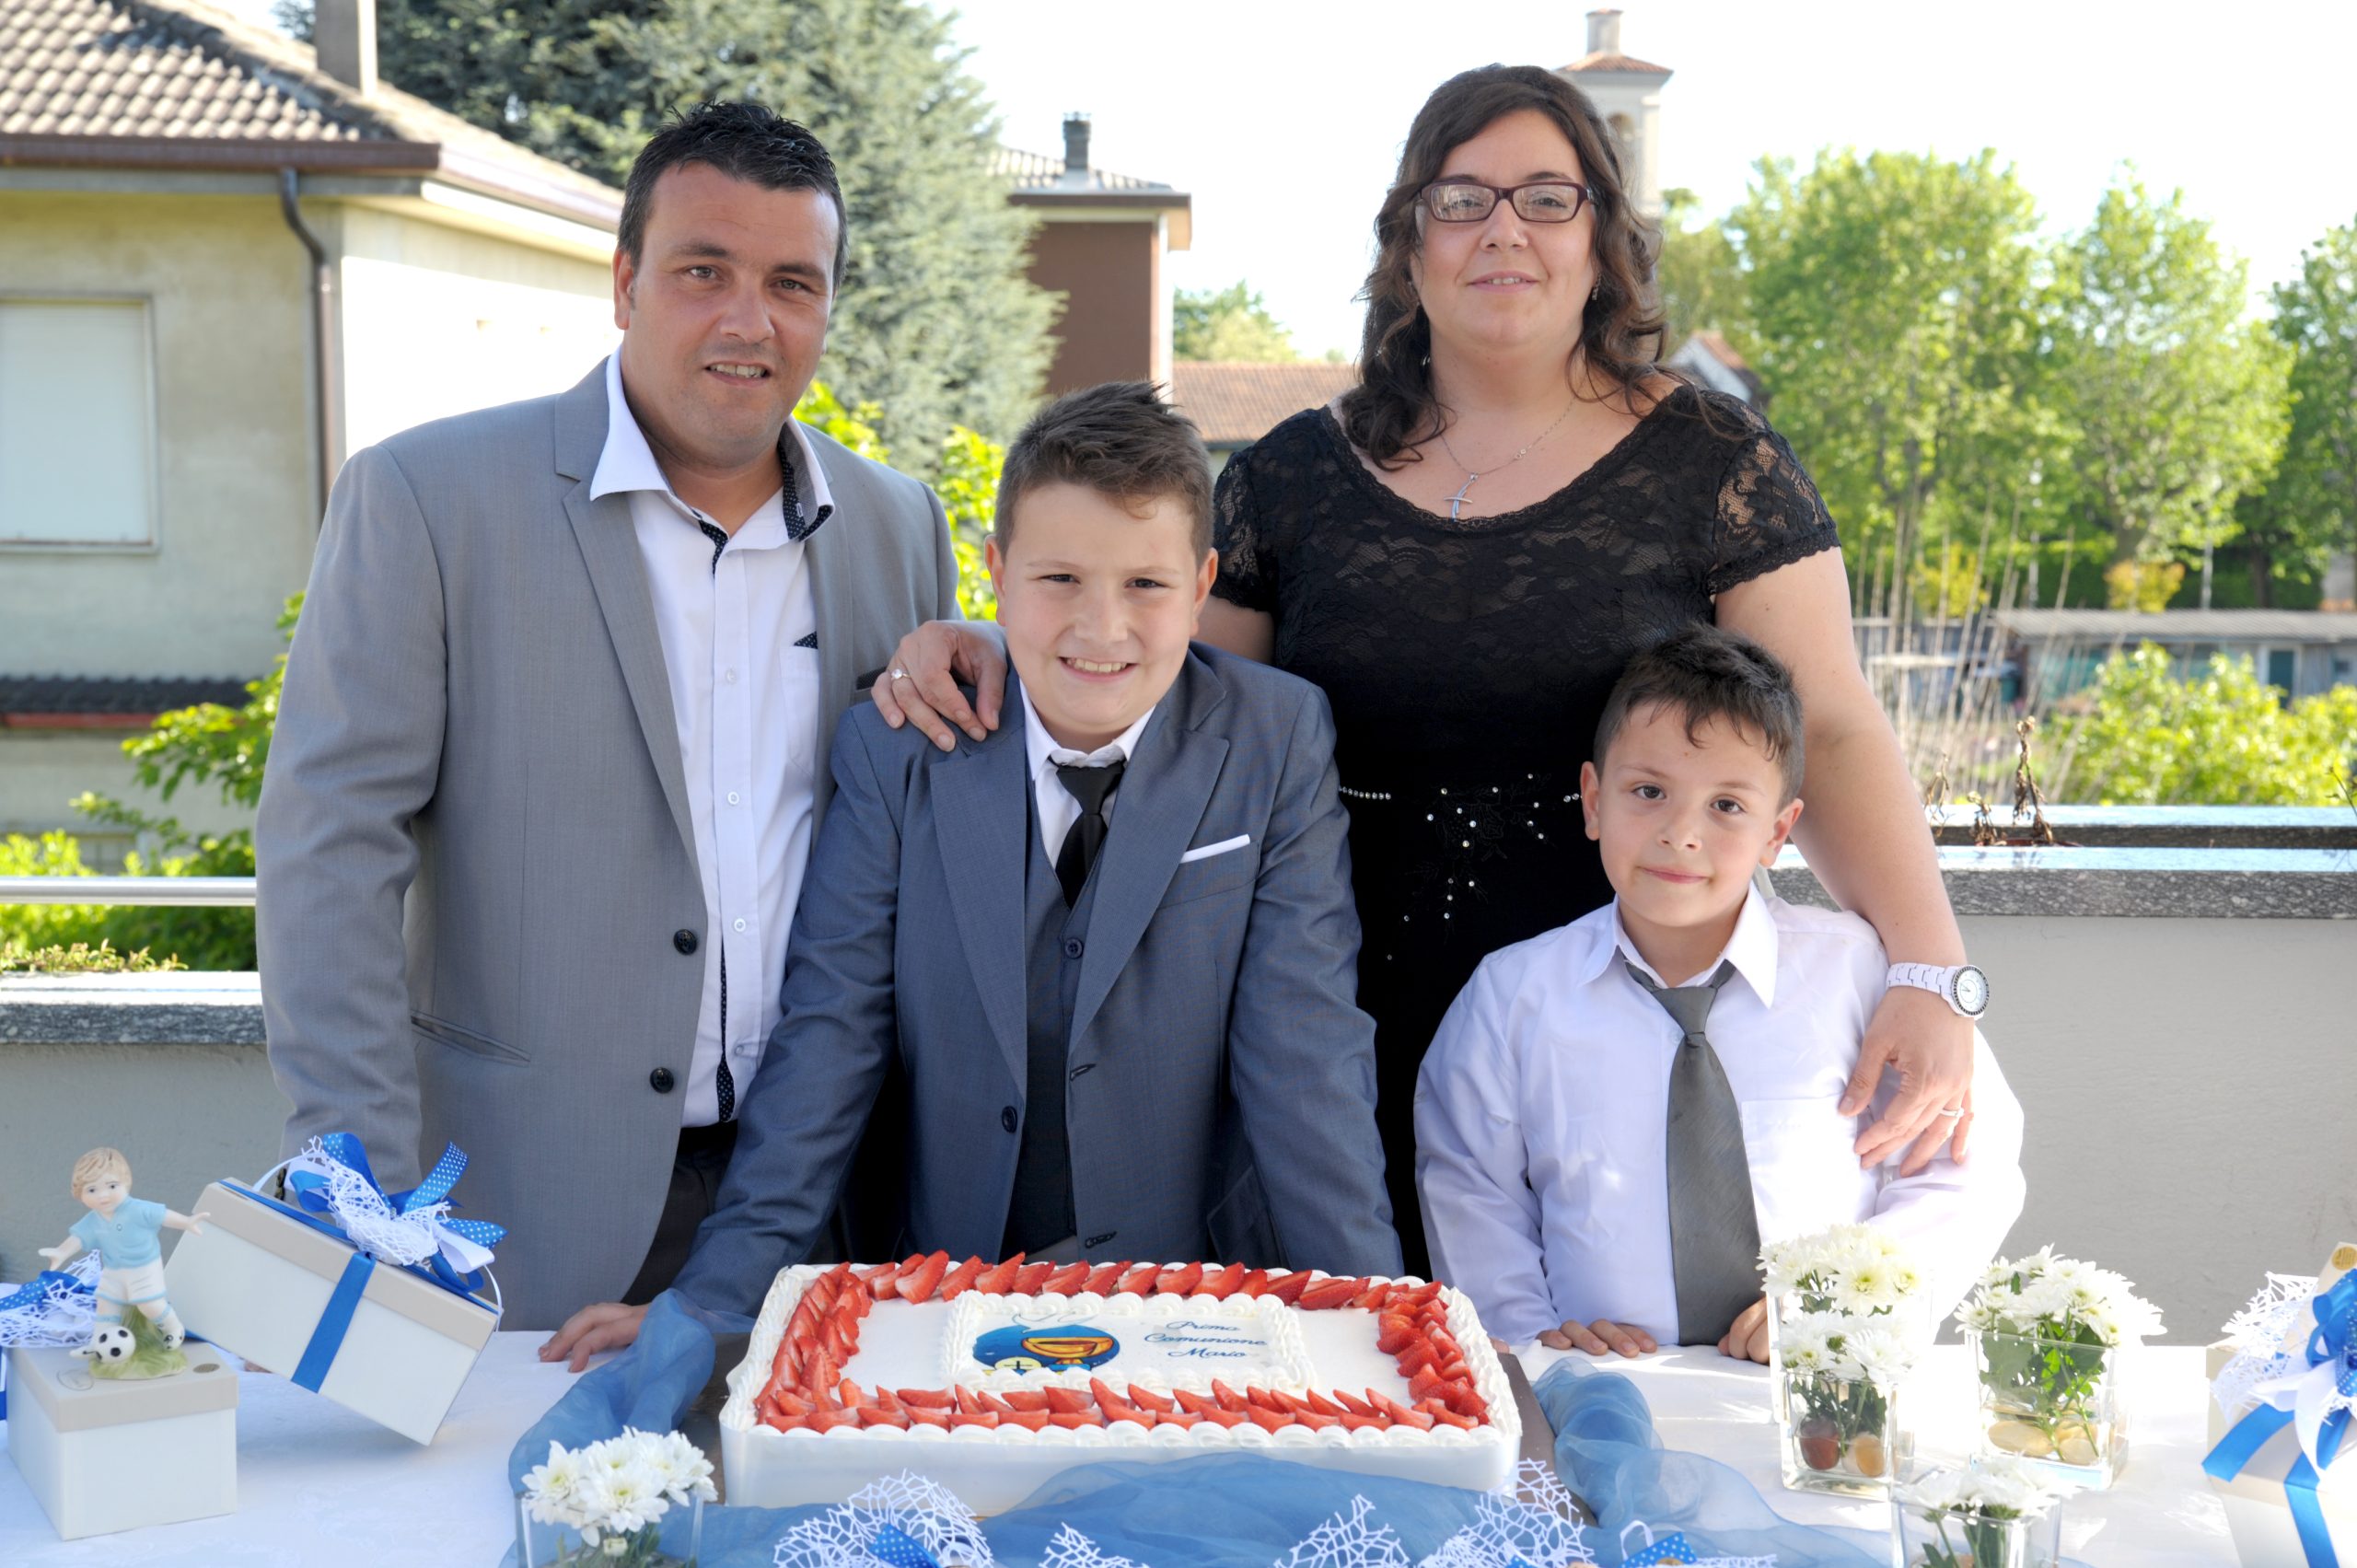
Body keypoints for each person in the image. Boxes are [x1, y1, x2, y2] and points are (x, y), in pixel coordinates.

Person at [871, 64, 1981, 1275]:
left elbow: (1834, 725)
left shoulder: (1717, 461)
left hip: (1594, 1045)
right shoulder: (1289, 478)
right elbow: (1164, 700)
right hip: (1322, 1051)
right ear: (1408, 242)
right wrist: (992, 642)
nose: (1504, 229)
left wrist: (1933, 972)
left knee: (1575, 1361)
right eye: (1462, 199)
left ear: (1602, 240)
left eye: (1546, 198)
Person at [257, 103, 964, 1331]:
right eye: (704, 271)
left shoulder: (900, 525)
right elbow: (329, 851)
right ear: (626, 281)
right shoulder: (425, 498)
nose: (749, 320)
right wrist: (361, 1191)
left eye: (792, 284)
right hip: (513, 1213)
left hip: (824, 1212)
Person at [541, 383, 1399, 1361]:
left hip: (1193, 1299)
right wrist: (713, 1300)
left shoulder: (1275, 736)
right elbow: (831, 1035)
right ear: (995, 571)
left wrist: (1379, 1320)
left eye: (1146, 584)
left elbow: (1305, 1053)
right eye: (1059, 578)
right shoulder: (896, 750)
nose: (1101, 627)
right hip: (941, 1293)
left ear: (1202, 583)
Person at [1414, 627, 2024, 1359]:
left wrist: (1844, 1305)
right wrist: (1534, 1341)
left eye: (1727, 805)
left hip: (1819, 1382)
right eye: (1648, 792)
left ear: (1779, 831)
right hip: (1602, 1386)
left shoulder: (1857, 975)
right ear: (1594, 800)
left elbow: (1966, 1169)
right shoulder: (1510, 999)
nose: (1681, 833)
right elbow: (1471, 1189)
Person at [38, 1147, 212, 1350]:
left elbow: (163, 1216)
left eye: (112, 1186)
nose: (103, 1196)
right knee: (106, 1305)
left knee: (149, 1304)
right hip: (114, 1270)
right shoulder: (93, 1219)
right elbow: (78, 1238)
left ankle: (173, 1327)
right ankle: (99, 1343)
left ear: (126, 1183)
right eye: (92, 1190)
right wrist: (61, 1252)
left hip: (144, 1267)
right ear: (78, 1194)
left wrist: (186, 1222)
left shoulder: (137, 1209)